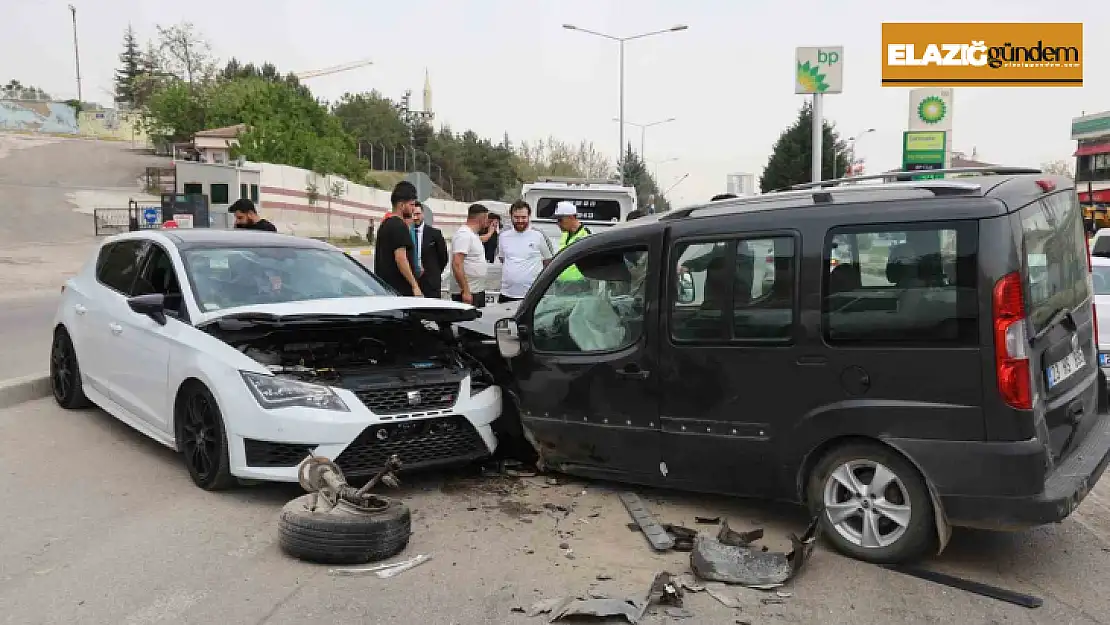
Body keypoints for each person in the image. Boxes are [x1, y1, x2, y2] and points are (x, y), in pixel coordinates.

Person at [497, 200, 554, 303]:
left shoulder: (538, 235)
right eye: (516, 217)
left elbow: (548, 261)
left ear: (529, 216)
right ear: (511, 217)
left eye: (523, 217)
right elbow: (503, 259)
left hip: (531, 295)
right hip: (507, 293)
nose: (520, 221)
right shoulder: (503, 236)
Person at [373, 181, 423, 297]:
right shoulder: (399, 226)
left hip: (386, 289)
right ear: (401, 205)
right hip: (400, 291)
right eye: (411, 205)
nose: (413, 209)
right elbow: (401, 258)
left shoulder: (385, 224)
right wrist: (414, 285)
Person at [450, 204, 490, 307]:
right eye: (487, 218)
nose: (487, 221)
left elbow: (483, 239)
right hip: (468, 293)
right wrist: (466, 291)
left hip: (476, 290)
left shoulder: (473, 235)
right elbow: (457, 264)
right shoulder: (464, 235)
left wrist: (491, 232)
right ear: (482, 218)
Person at [413, 202, 448, 298]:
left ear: (423, 214)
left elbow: (443, 258)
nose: (415, 217)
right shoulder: (406, 233)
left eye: (418, 214)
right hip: (412, 282)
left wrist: (434, 273)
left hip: (431, 283)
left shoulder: (435, 234)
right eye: (413, 214)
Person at [553, 201, 591, 283]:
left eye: (560, 220)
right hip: (562, 285)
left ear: (571, 217)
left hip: (579, 286)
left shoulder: (585, 236)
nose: (558, 223)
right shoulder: (565, 235)